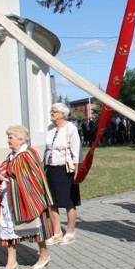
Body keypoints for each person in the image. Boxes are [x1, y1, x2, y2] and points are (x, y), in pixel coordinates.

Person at [0, 125, 55, 269]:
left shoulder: (28, 154)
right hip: (11, 199)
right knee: (10, 230)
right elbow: (8, 170)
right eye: (8, 137)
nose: (8, 140)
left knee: (36, 226)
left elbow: (35, 176)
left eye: (11, 137)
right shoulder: (11, 156)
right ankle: (11, 262)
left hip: (29, 198)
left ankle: (44, 255)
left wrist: (10, 176)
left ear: (21, 139)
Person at [44, 103, 81, 246]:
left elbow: (76, 152)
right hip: (51, 168)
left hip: (66, 170)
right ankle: (57, 232)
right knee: (51, 202)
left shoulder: (71, 129)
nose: (51, 113)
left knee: (68, 201)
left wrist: (77, 173)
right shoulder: (50, 129)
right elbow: (48, 149)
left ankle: (71, 232)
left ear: (62, 114)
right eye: (51, 111)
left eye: (54, 111)